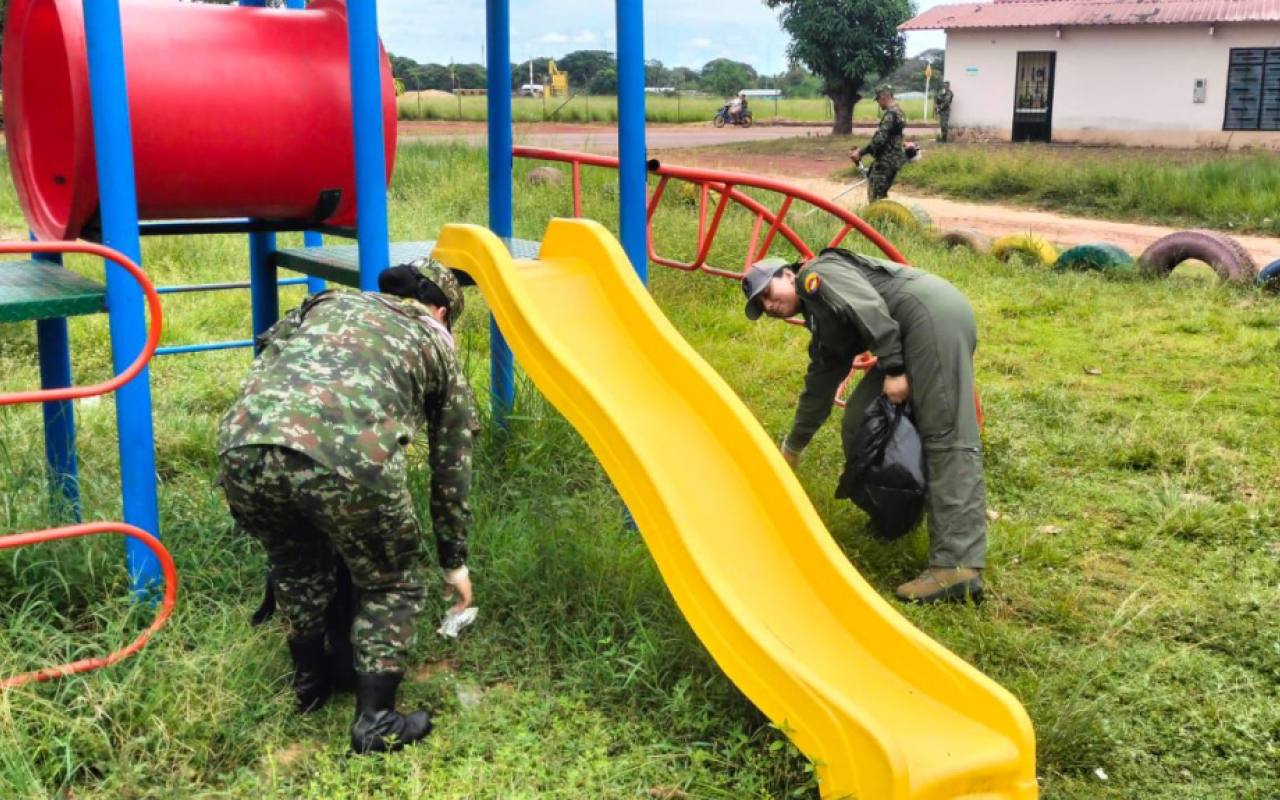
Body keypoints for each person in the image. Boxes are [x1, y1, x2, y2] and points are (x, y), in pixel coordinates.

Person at [216, 258, 478, 754]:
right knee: (390, 580)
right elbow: (452, 466)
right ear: (441, 311)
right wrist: (454, 561)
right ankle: (376, 721)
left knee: (295, 565)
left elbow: (269, 351)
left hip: (242, 446)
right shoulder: (437, 345)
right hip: (346, 459)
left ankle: (310, 685)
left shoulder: (327, 301)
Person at [741, 250, 986, 604]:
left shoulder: (817, 276)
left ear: (788, 275)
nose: (769, 305)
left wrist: (895, 369)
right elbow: (820, 387)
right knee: (861, 418)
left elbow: (870, 309)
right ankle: (892, 519)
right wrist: (792, 448)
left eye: (768, 292)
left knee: (946, 432)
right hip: (907, 333)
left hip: (932, 319)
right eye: (760, 304)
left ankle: (957, 566)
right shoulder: (821, 317)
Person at [850, 85, 907, 203]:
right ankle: (885, 220)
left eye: (878, 100)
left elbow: (879, 140)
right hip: (894, 161)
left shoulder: (890, 115)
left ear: (884, 97)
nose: (878, 103)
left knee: (875, 197)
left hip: (885, 162)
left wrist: (860, 153)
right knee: (881, 196)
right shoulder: (900, 112)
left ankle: (876, 221)